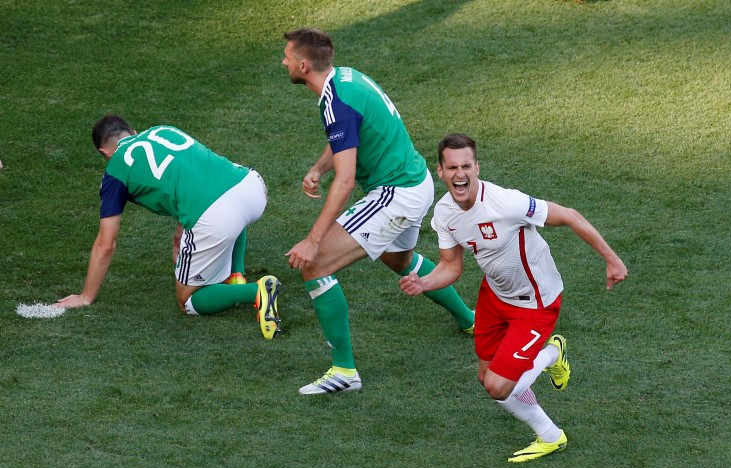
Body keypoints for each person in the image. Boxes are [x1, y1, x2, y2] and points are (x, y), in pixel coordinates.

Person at [400, 134, 628, 462]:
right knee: (486, 376)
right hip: (494, 295)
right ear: (440, 171)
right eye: (452, 167)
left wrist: (612, 259)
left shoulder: (507, 203)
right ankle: (550, 435)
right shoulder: (444, 213)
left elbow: (570, 216)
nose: (460, 174)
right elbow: (451, 267)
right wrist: (424, 283)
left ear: (477, 167)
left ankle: (552, 353)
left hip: (535, 303)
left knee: (498, 386)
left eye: (466, 166)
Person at [281, 28, 475, 395]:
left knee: (314, 264)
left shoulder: (334, 101)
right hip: (414, 181)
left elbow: (346, 181)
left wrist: (312, 240)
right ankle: (471, 321)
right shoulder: (346, 78)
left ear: (304, 65)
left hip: (395, 193)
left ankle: (344, 371)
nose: (284, 62)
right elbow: (348, 137)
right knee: (398, 261)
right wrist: (319, 168)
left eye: (288, 57)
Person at [56, 114, 281, 339]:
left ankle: (256, 290)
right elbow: (194, 176)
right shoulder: (164, 130)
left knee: (187, 301)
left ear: (103, 153)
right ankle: (235, 274)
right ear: (133, 131)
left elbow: (106, 244)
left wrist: (86, 296)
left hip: (218, 216)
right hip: (251, 186)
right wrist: (181, 232)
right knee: (226, 201)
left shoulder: (115, 170)